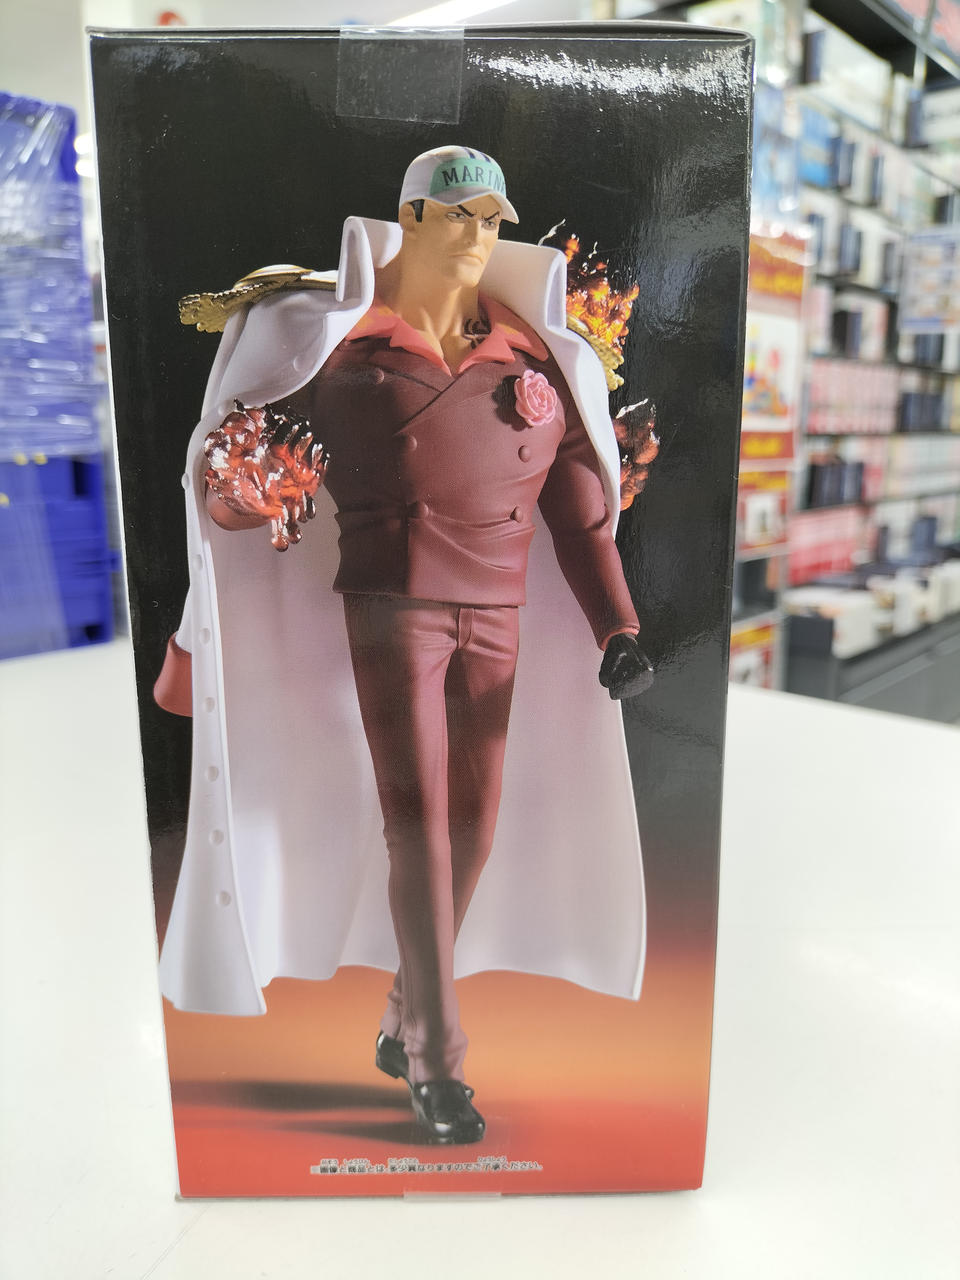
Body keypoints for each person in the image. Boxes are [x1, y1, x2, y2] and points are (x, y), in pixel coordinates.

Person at [155, 146, 654, 1145]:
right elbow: (237, 473)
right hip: (393, 604)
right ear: (413, 218)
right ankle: (437, 1053)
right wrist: (248, 492)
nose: (478, 235)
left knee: (475, 825)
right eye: (460, 214)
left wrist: (619, 627)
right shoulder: (336, 344)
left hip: (499, 612)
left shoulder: (534, 356)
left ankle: (402, 1012)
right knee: (417, 822)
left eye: (492, 219)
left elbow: (579, 513)